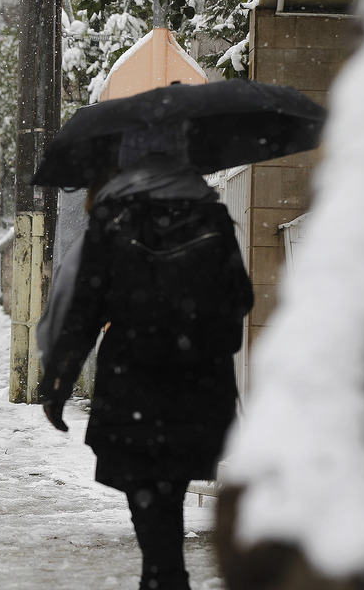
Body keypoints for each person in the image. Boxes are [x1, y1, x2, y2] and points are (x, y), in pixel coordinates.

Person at [37, 121, 254, 590]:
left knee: (145, 488)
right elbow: (240, 299)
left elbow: (84, 310)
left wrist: (58, 381)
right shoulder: (210, 217)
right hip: (199, 381)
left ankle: (162, 574)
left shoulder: (114, 217)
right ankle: (163, 573)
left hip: (133, 377)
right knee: (171, 484)